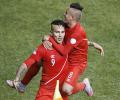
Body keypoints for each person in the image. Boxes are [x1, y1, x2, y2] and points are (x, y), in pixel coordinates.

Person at [7, 19, 69, 100]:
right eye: (57, 32)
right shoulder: (44, 48)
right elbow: (27, 63)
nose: (60, 35)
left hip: (60, 92)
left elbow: (79, 41)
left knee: (38, 63)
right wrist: (16, 79)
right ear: (51, 33)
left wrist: (90, 43)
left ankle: (84, 85)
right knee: (37, 62)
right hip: (46, 91)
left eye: (62, 32)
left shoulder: (67, 43)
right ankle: (21, 84)